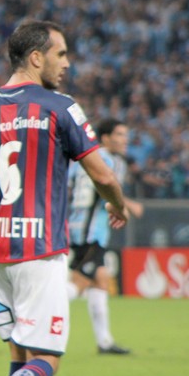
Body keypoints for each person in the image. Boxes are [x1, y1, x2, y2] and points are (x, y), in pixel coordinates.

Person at [0, 20, 129, 376]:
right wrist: (118, 205)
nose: (68, 63)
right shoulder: (60, 107)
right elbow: (103, 176)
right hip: (38, 250)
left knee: (19, 351)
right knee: (46, 357)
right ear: (37, 58)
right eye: (61, 53)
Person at [67, 118, 144, 354]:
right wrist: (127, 205)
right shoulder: (110, 160)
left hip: (77, 226)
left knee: (100, 280)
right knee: (79, 283)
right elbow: (106, 189)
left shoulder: (83, 159)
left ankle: (105, 342)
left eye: (126, 135)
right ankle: (35, 322)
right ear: (105, 137)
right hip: (91, 232)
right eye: (120, 135)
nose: (125, 140)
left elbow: (69, 186)